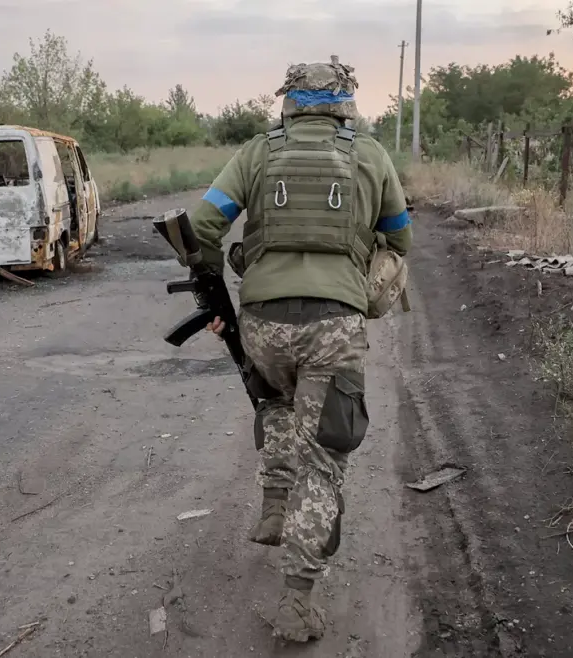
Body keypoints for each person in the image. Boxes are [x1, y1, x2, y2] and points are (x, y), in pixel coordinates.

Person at [187, 56, 413, 642]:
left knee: (276, 400)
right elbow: (400, 237)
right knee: (325, 460)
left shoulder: (257, 153)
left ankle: (273, 507)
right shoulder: (371, 155)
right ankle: (296, 600)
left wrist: (215, 286)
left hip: (264, 324)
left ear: (288, 101)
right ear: (345, 103)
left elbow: (202, 224)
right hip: (333, 326)